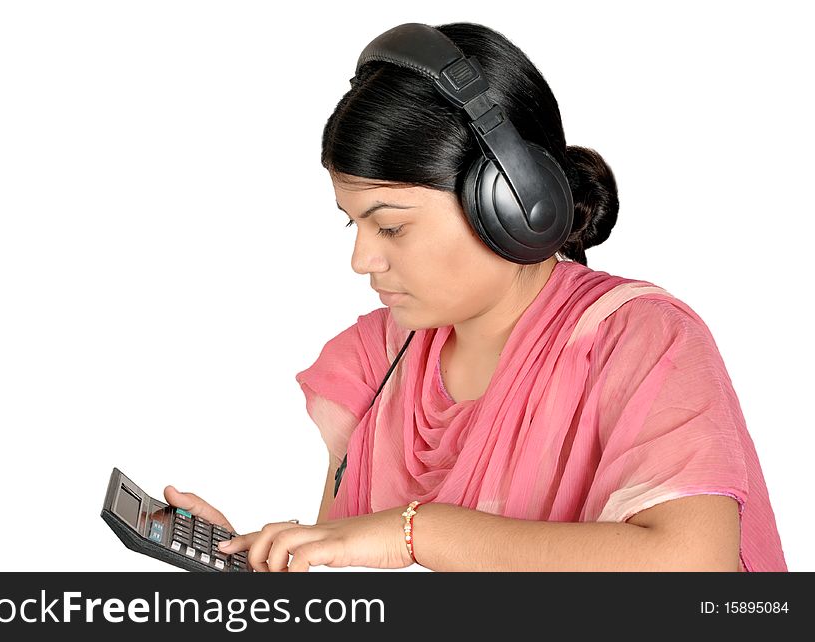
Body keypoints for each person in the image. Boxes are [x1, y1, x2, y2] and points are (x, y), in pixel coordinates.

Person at [164, 22, 787, 572]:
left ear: (513, 204)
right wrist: (273, 568)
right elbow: (354, 564)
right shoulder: (372, 360)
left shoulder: (641, 338)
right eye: (350, 223)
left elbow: (692, 568)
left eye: (392, 226)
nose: (362, 259)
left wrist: (418, 533)